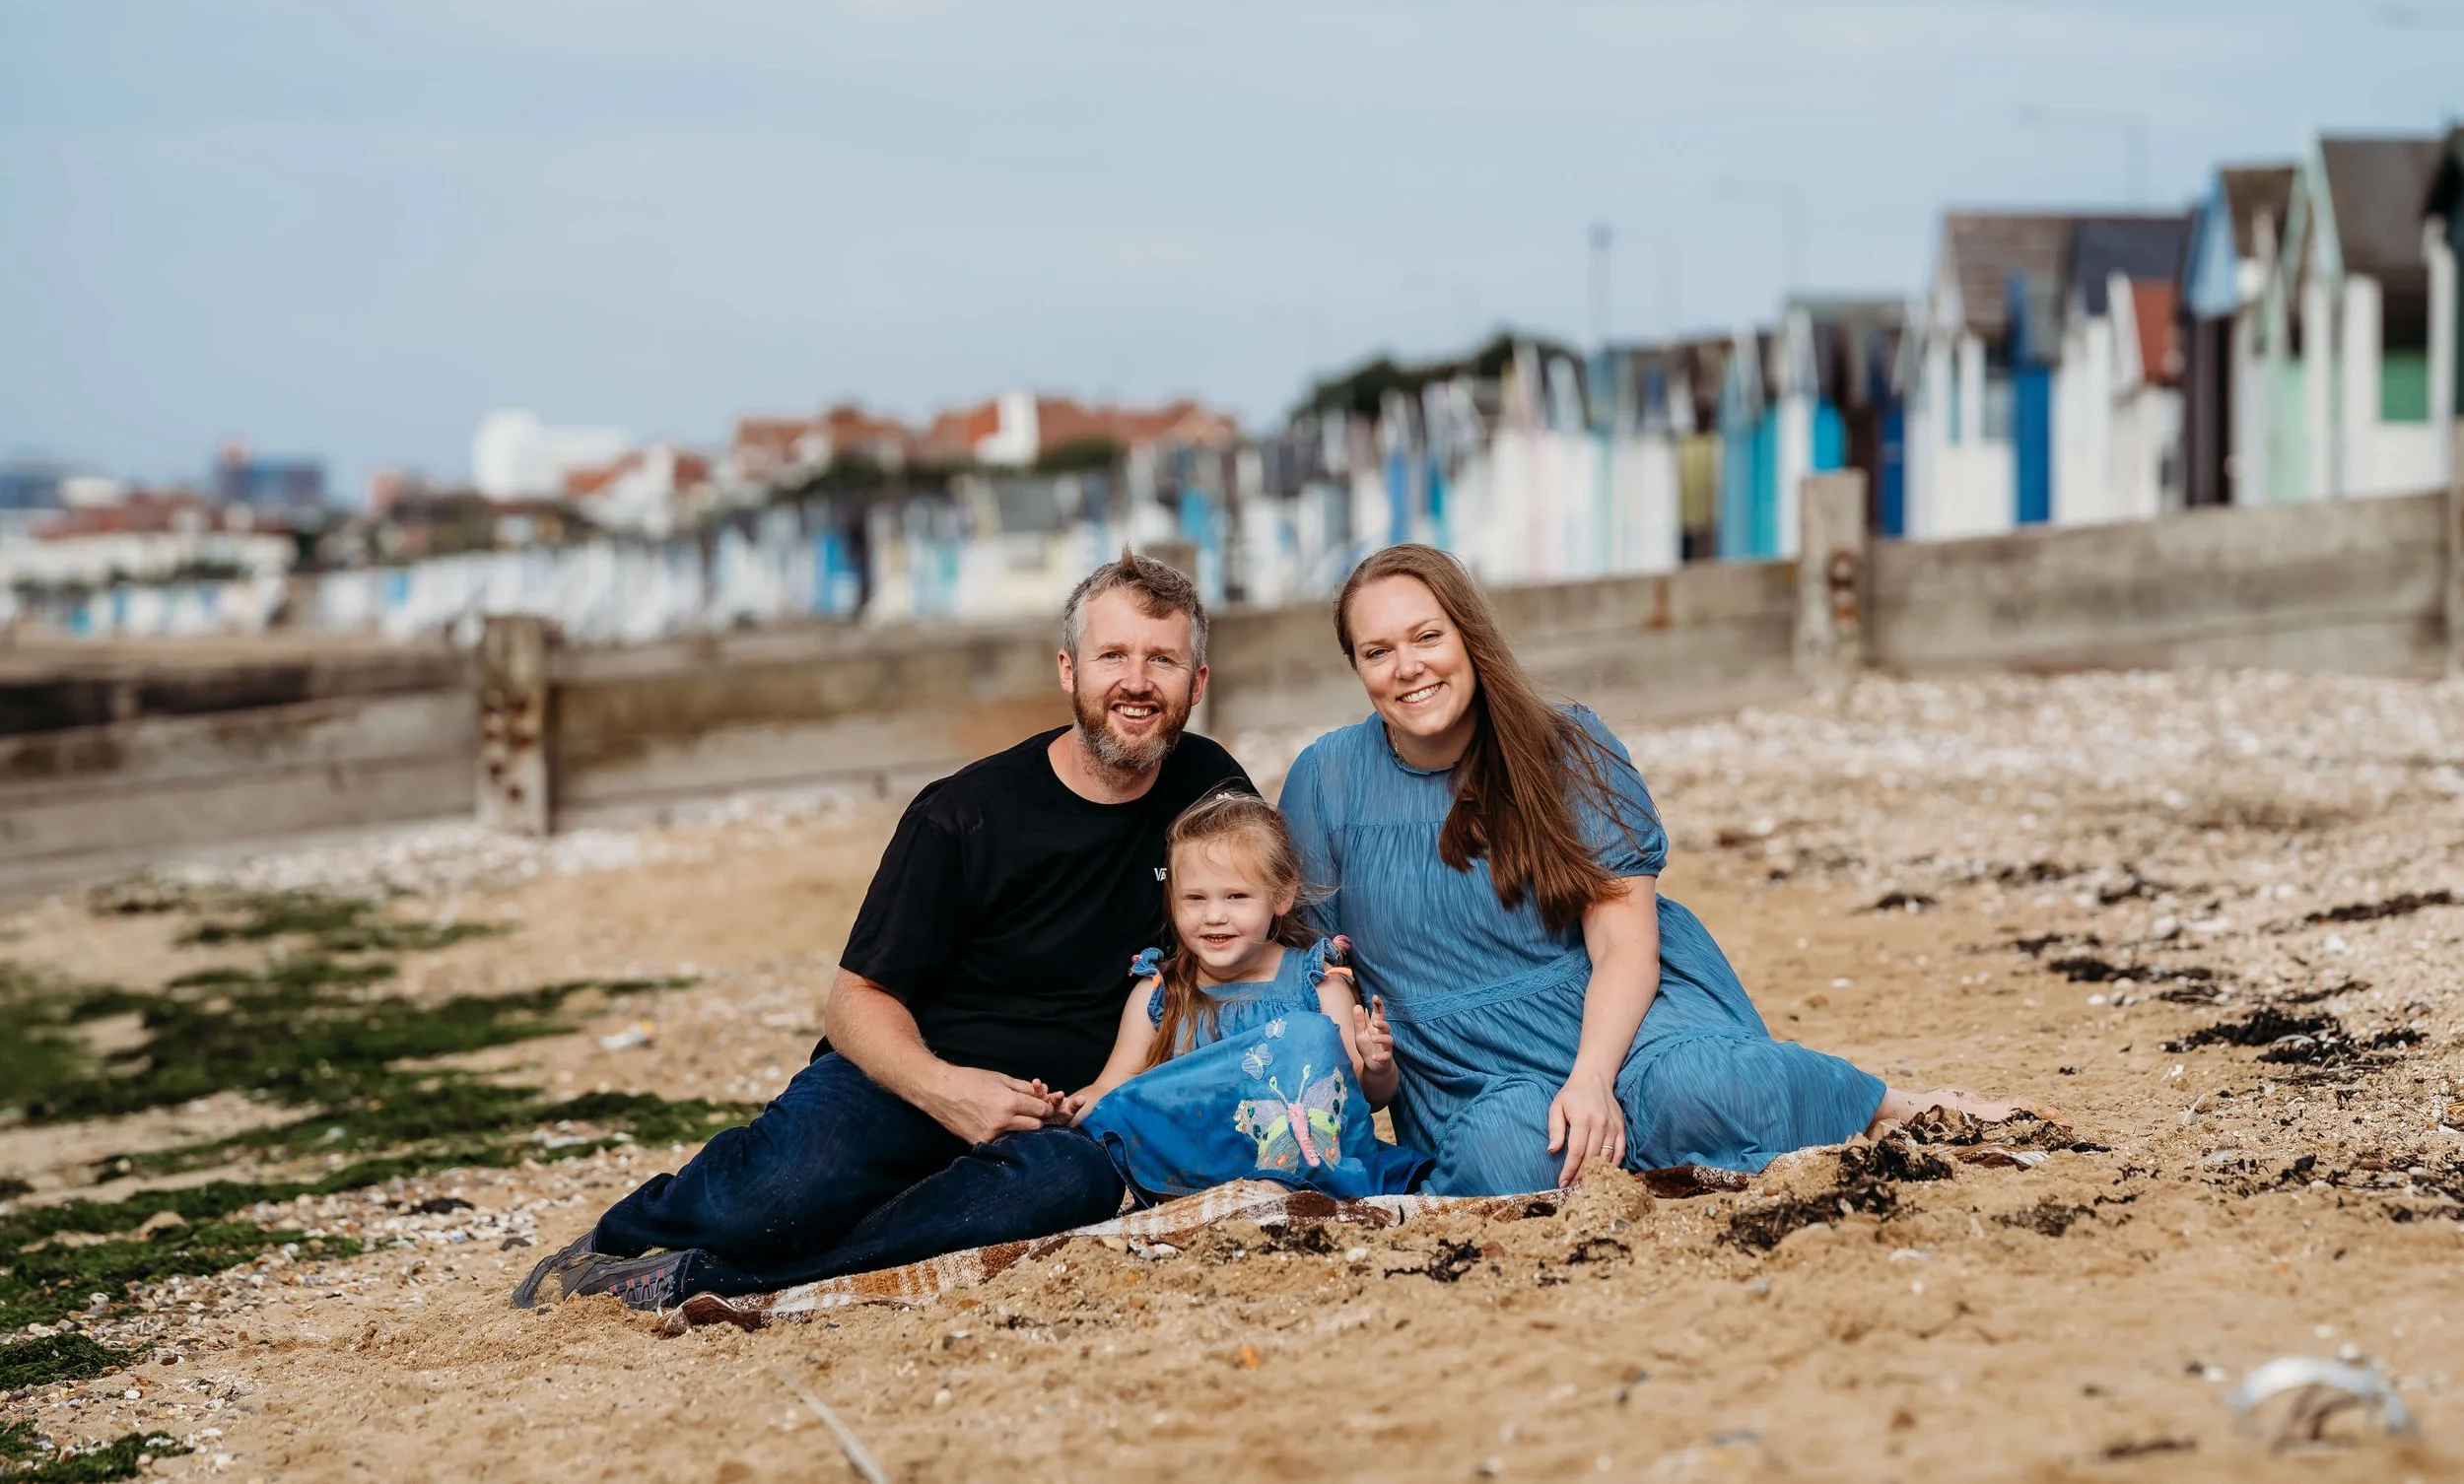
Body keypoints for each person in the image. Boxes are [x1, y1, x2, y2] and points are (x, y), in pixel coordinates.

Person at [513, 552, 1252, 1311]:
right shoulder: (964, 813)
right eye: (1113, 656)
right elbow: (854, 1000)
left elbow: (1264, 936)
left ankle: (718, 1283)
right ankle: (624, 1240)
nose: (1136, 680)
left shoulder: (1212, 792)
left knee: (1073, 1186)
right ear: (1069, 670)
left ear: (1196, 683)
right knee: (778, 1192)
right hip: (902, 1075)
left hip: (1059, 1116)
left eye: (1162, 658)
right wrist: (949, 1091)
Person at [1277, 543, 2017, 1197]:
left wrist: (1593, 1076)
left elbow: (1625, 943)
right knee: (1508, 1155)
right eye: (1377, 652)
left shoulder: (1567, 746)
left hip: (1622, 1015)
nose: (1408, 667)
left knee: (1700, 1090)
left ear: (1469, 637)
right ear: (1358, 667)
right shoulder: (1325, 779)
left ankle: (1888, 1103)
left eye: (1427, 636)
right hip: (1467, 1069)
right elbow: (1322, 968)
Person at [1065, 789, 1427, 1202]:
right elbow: (1115, 1089)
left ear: (1280, 895)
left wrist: (1378, 1066)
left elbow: (1368, 1097)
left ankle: (1281, 1188)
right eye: (1195, 898)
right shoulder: (1160, 996)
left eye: (1236, 896)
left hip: (1316, 1170)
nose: (1214, 914)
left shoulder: (1318, 984)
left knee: (1308, 1034)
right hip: (1204, 1177)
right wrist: (1071, 1104)